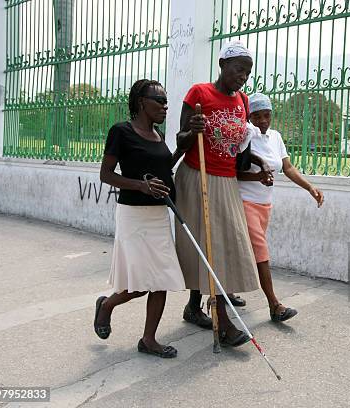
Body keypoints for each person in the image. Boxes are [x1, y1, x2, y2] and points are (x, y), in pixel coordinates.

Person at [175, 41, 272, 346]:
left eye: (247, 71)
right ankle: (224, 322)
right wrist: (193, 129)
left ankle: (194, 307)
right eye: (238, 69)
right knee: (206, 244)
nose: (243, 76)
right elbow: (181, 141)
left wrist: (256, 161)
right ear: (222, 65)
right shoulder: (199, 93)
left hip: (227, 181)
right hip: (197, 176)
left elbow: (240, 148)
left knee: (221, 244)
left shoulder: (242, 100)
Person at [93, 79, 185, 358]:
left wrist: (180, 149)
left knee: (163, 279)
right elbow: (106, 175)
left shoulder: (159, 136)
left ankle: (149, 340)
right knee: (139, 285)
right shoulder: (121, 132)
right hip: (133, 216)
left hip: (158, 215)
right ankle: (107, 305)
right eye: (158, 100)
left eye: (166, 101)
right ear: (140, 102)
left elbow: (163, 169)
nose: (164, 105)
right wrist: (140, 186)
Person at [237, 93, 324, 321]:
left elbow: (287, 167)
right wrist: (256, 178)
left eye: (267, 115)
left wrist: (310, 188)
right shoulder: (245, 135)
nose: (263, 121)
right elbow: (234, 172)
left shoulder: (275, 137)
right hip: (244, 201)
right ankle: (274, 305)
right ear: (248, 116)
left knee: (245, 250)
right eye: (256, 116)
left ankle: (224, 291)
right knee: (261, 252)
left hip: (265, 204)